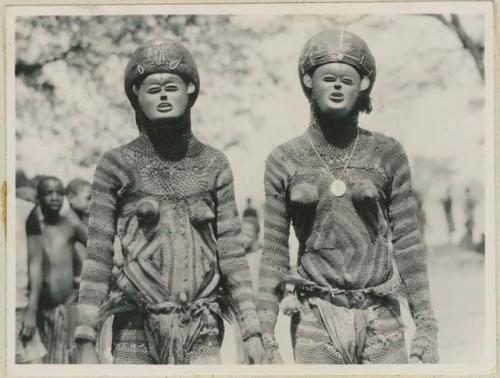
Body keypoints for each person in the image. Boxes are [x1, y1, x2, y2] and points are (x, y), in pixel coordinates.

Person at [75, 39, 264, 365]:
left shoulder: (214, 164)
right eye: (152, 89)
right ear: (137, 96)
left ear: (190, 89)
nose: (162, 95)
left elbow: (232, 256)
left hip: (201, 327)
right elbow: (97, 258)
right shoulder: (115, 164)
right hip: (135, 326)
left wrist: (252, 332)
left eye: (171, 87)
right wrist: (85, 336)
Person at [257, 30, 438, 364]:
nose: (338, 86)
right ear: (309, 81)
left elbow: (409, 244)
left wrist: (426, 327)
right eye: (328, 78)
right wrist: (265, 336)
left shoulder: (388, 154)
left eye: (347, 80)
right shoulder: (284, 160)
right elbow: (273, 253)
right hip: (315, 318)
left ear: (363, 87)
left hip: (380, 315)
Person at [28, 176, 87, 363]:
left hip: (66, 307)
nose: (54, 197)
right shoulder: (34, 228)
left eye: (59, 193)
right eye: (48, 193)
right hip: (40, 311)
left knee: (65, 361)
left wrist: (76, 221)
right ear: (38, 199)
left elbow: (94, 244)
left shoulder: (70, 225)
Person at [15, 196, 47, 364]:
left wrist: (31, 310)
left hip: (19, 308)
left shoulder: (25, 210)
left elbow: (36, 261)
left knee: (34, 363)